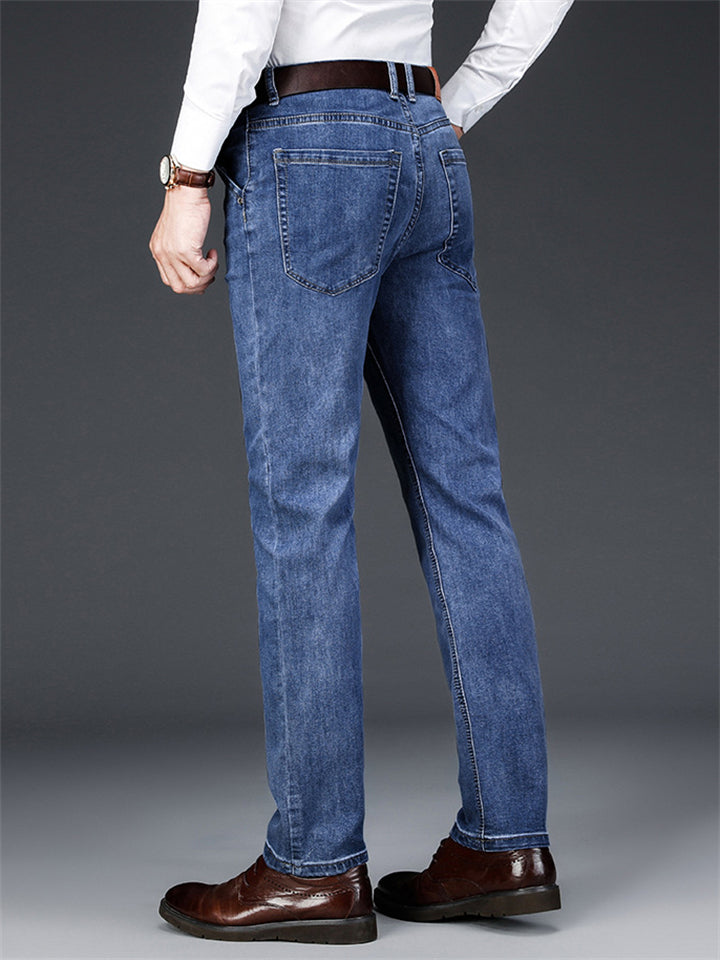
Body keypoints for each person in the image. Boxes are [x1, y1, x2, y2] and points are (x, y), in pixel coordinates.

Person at [149, 0, 574, 945]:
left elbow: (243, 10)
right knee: (467, 500)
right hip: (424, 142)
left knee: (304, 505)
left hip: (308, 146)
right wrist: (458, 101)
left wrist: (187, 174)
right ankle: (506, 844)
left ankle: (314, 865)